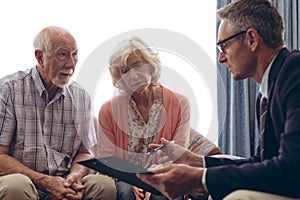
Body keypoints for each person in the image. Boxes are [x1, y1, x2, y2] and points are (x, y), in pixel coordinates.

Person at [137, 0, 300, 200]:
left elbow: (291, 168)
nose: (221, 58)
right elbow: (262, 161)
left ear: (251, 39)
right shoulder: (268, 91)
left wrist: (200, 178)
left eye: (224, 46)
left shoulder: (295, 72)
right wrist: (196, 161)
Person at [0, 26, 116, 200]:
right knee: (16, 186)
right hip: (26, 181)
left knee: (103, 185)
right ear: (40, 57)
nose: (71, 64)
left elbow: (85, 152)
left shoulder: (81, 96)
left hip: (63, 181)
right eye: (62, 54)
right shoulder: (9, 89)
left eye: (74, 54)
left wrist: (75, 176)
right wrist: (45, 181)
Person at [96, 37, 190, 200]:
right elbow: (108, 160)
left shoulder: (180, 103)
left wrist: (149, 181)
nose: (133, 76)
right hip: (125, 178)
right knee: (125, 193)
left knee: (160, 196)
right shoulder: (108, 110)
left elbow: (178, 155)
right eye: (125, 71)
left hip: (164, 174)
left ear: (151, 66)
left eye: (138, 66)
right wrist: (133, 180)